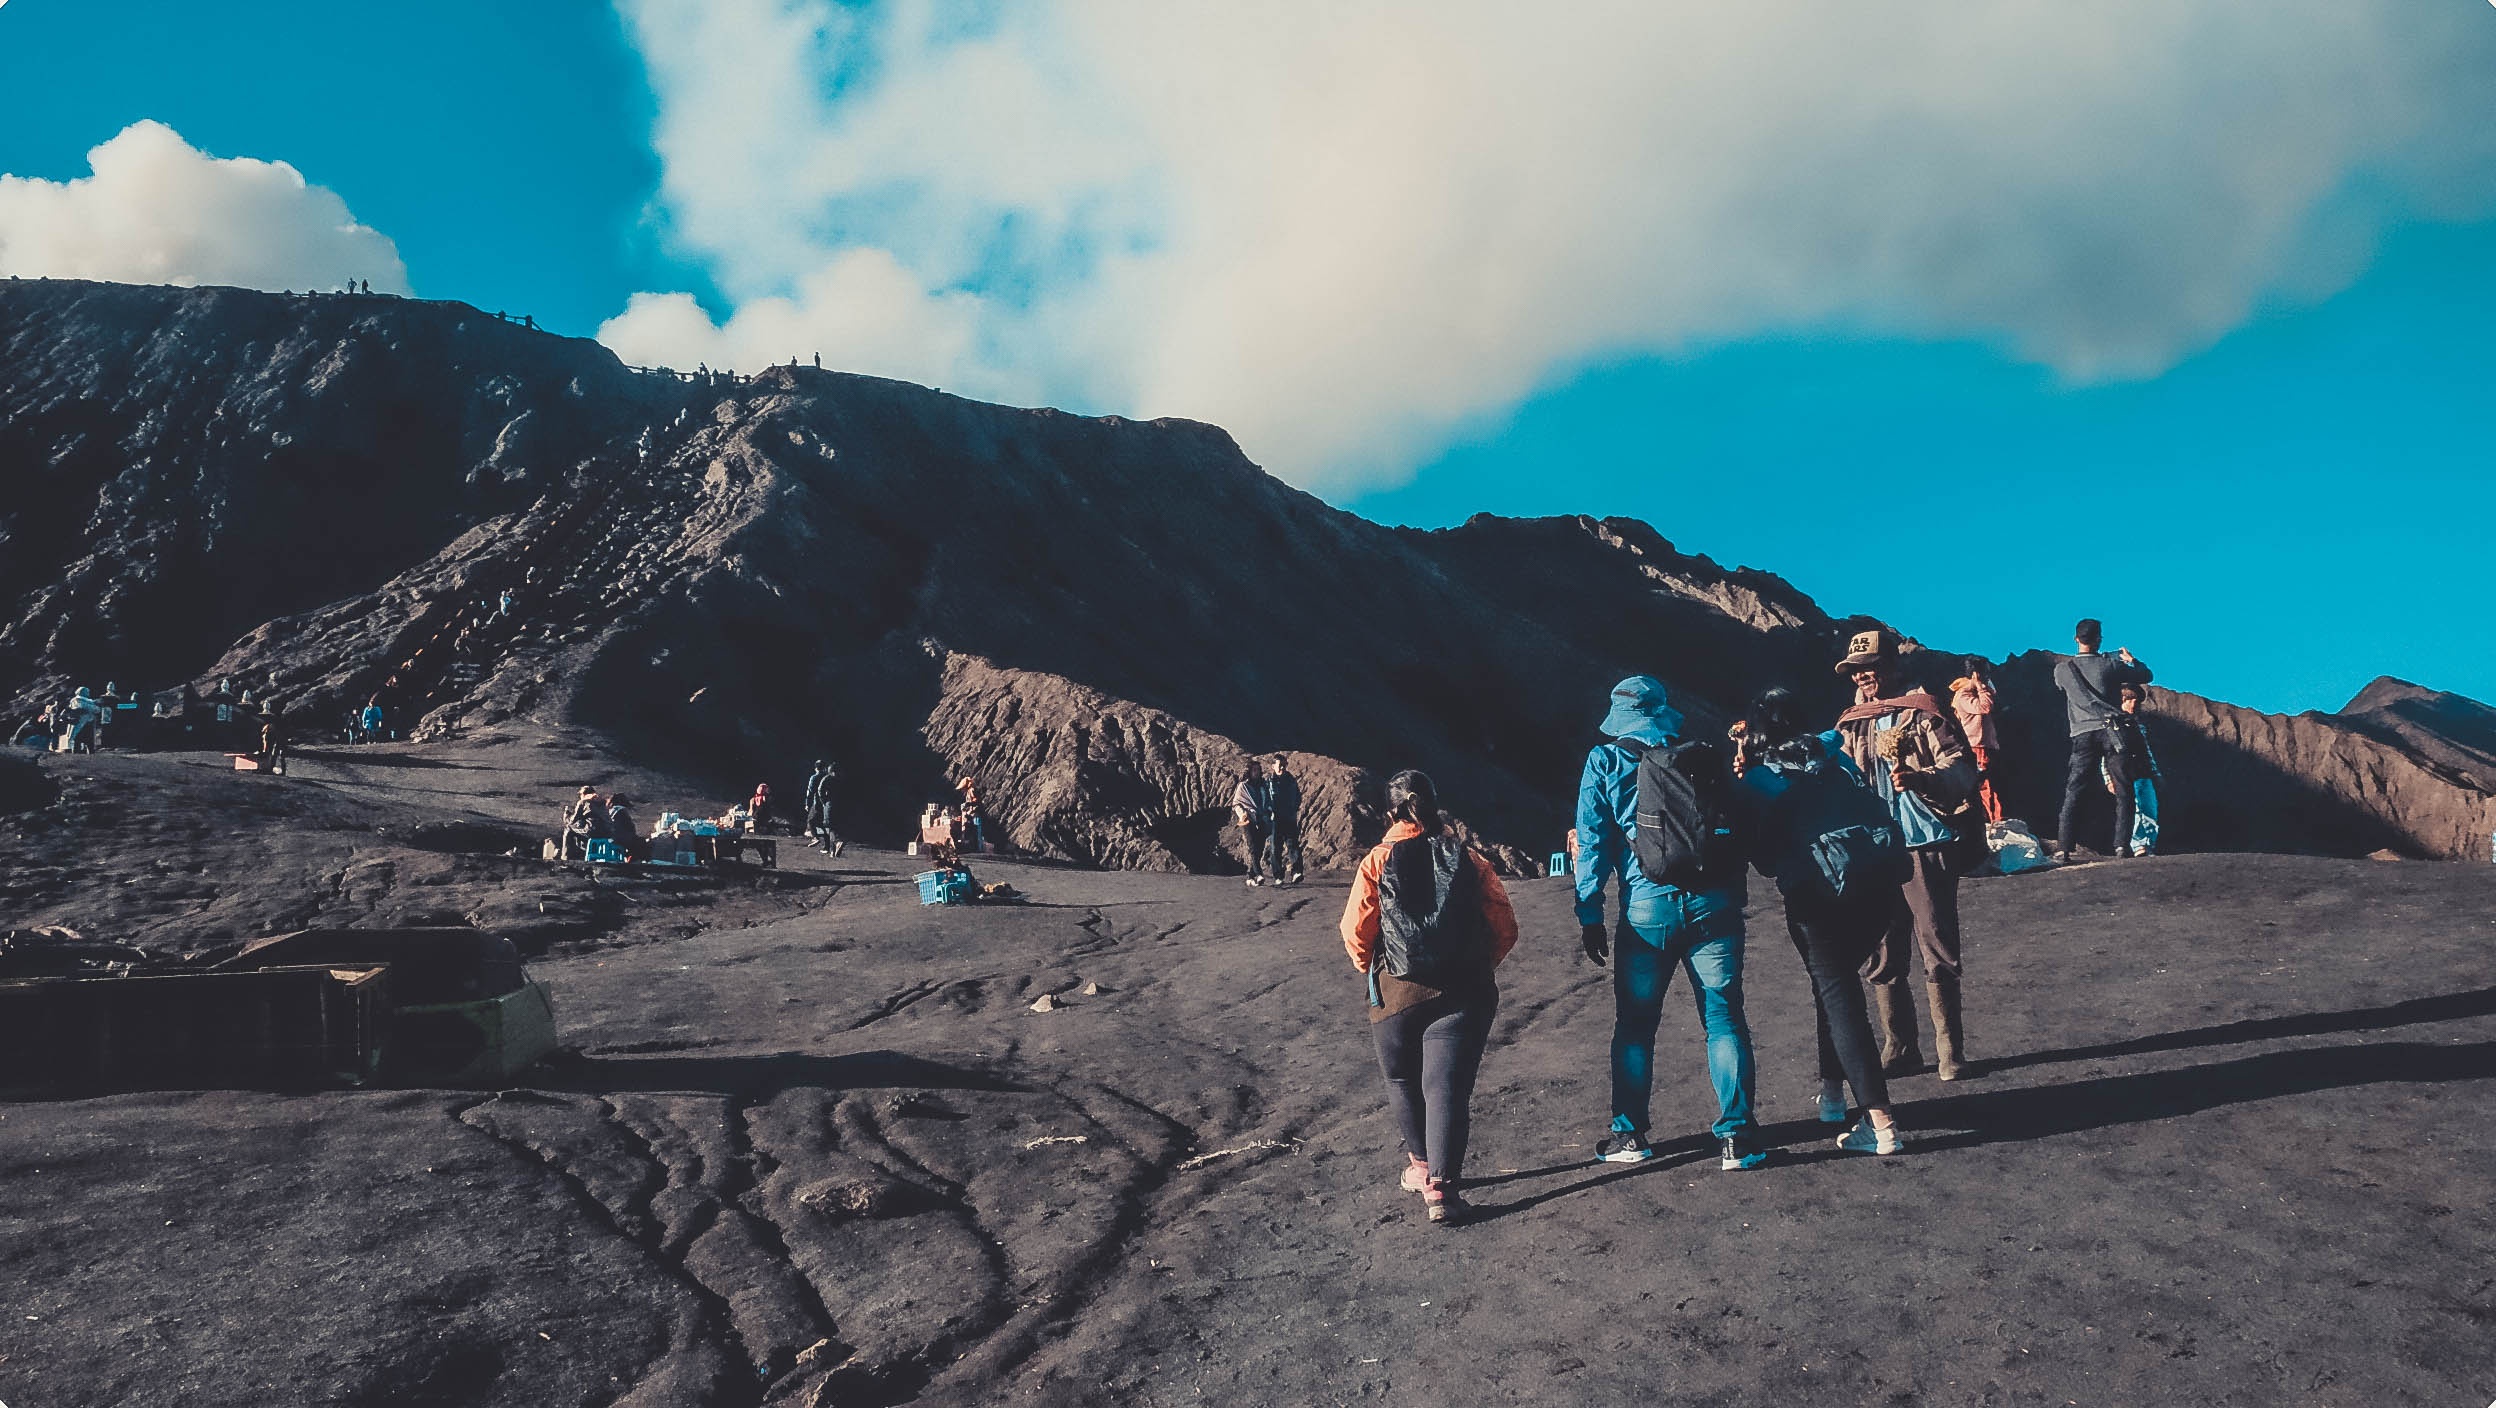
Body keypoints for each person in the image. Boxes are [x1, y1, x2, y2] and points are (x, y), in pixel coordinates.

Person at [1575, 675, 1765, 1170]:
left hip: (1647, 910)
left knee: (1636, 1026)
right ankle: (1737, 1137)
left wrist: (1589, 913)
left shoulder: (1605, 761)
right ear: (1663, 710)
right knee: (1723, 1018)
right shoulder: (1697, 755)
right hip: (1713, 905)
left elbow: (1593, 845)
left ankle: (1629, 1135)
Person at [1732, 689, 1910, 1155]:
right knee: (1835, 990)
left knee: (1839, 996)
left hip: (1819, 896)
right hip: (1882, 886)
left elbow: (1762, 859)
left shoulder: (1760, 780)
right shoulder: (1838, 760)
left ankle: (1880, 1121)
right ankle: (1833, 1096)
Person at [1340, 770, 1519, 1226]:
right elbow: (1504, 924)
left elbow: (1356, 931)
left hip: (1397, 993)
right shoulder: (1469, 859)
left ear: (1390, 813)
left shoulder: (1377, 861)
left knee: (1402, 1080)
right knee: (1447, 1090)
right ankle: (1442, 1191)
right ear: (1436, 807)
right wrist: (1479, 969)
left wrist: (1374, 974)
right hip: (1464, 991)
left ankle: (1420, 1167)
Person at [1834, 628, 1982, 1082]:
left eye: (1870, 668)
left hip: (1925, 839)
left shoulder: (1924, 714)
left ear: (1891, 667)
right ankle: (1899, 1046)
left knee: (1934, 936)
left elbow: (1962, 768)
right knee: (1881, 945)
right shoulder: (1851, 722)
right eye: (1857, 671)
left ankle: (1948, 1048)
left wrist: (1920, 779)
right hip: (1875, 846)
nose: (1863, 678)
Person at [2051, 618, 2153, 859]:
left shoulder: (2062, 670)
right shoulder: (2110, 665)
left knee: (2075, 790)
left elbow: (2059, 688)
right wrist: (2129, 660)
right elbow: (2146, 675)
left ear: (2076, 639)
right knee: (2124, 789)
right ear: (2099, 639)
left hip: (2082, 734)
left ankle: (2064, 848)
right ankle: (2121, 846)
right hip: (2113, 732)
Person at [2105, 682, 2163, 856]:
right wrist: (2108, 778)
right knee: (2134, 808)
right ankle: (2139, 846)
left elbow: (2146, 750)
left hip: (2143, 772)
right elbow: (2105, 754)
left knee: (2149, 808)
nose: (2134, 704)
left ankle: (2149, 844)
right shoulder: (2110, 724)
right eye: (2130, 700)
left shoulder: (2139, 725)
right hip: (2123, 772)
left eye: (2136, 700)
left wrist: (2156, 773)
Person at [1949, 665, 2006, 824]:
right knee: (1985, 786)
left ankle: (1993, 820)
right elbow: (1985, 707)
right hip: (1977, 745)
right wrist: (1980, 686)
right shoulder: (1964, 694)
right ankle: (1992, 821)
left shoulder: (1971, 692)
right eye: (1985, 673)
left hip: (1983, 745)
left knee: (1990, 784)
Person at [1263, 755, 1305, 885]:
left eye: (1283, 765)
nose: (1281, 767)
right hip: (1275, 819)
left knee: (1293, 845)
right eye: (1279, 765)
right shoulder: (1269, 782)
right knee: (1275, 848)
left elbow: (1298, 797)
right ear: (1273, 766)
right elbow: (1266, 799)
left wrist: (1293, 809)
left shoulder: (1291, 781)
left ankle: (1296, 872)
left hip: (1289, 818)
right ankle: (1278, 875)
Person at [1232, 766, 1272, 887]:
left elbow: (1269, 801)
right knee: (1252, 846)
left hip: (1262, 819)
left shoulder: (1264, 786)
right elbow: (1236, 803)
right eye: (1254, 770)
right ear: (1249, 772)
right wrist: (1243, 814)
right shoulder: (1243, 786)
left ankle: (1250, 875)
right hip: (1247, 819)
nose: (1257, 772)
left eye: (1258, 770)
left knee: (1259, 848)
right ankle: (1259, 874)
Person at [563, 786, 612, 860]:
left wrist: (566, 816)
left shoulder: (583, 802)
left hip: (593, 831)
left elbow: (572, 821)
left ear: (583, 794)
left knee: (568, 828)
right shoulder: (602, 802)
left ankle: (565, 857)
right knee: (581, 826)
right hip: (606, 832)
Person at [954, 775, 988, 853]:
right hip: (973, 813)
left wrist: (968, 804)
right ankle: (977, 848)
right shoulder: (969, 791)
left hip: (976, 813)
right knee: (975, 831)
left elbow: (976, 800)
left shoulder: (972, 790)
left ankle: (979, 849)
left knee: (977, 830)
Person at [606, 795, 641, 862]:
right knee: (640, 843)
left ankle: (629, 858)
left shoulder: (610, 810)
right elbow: (629, 826)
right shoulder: (621, 810)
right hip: (619, 837)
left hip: (611, 837)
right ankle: (632, 861)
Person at [258, 699, 288, 776]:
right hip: (278, 740)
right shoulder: (274, 723)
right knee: (276, 755)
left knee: (279, 755)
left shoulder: (274, 724)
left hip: (280, 741)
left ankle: (280, 771)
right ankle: (271, 768)